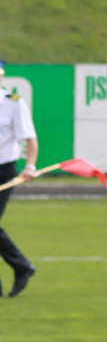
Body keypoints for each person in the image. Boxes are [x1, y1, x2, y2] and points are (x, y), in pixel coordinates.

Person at [0, 60, 39, 299]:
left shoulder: (12, 103)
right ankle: (22, 266)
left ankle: (21, 266)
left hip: (3, 170)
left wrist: (30, 166)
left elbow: (30, 138)